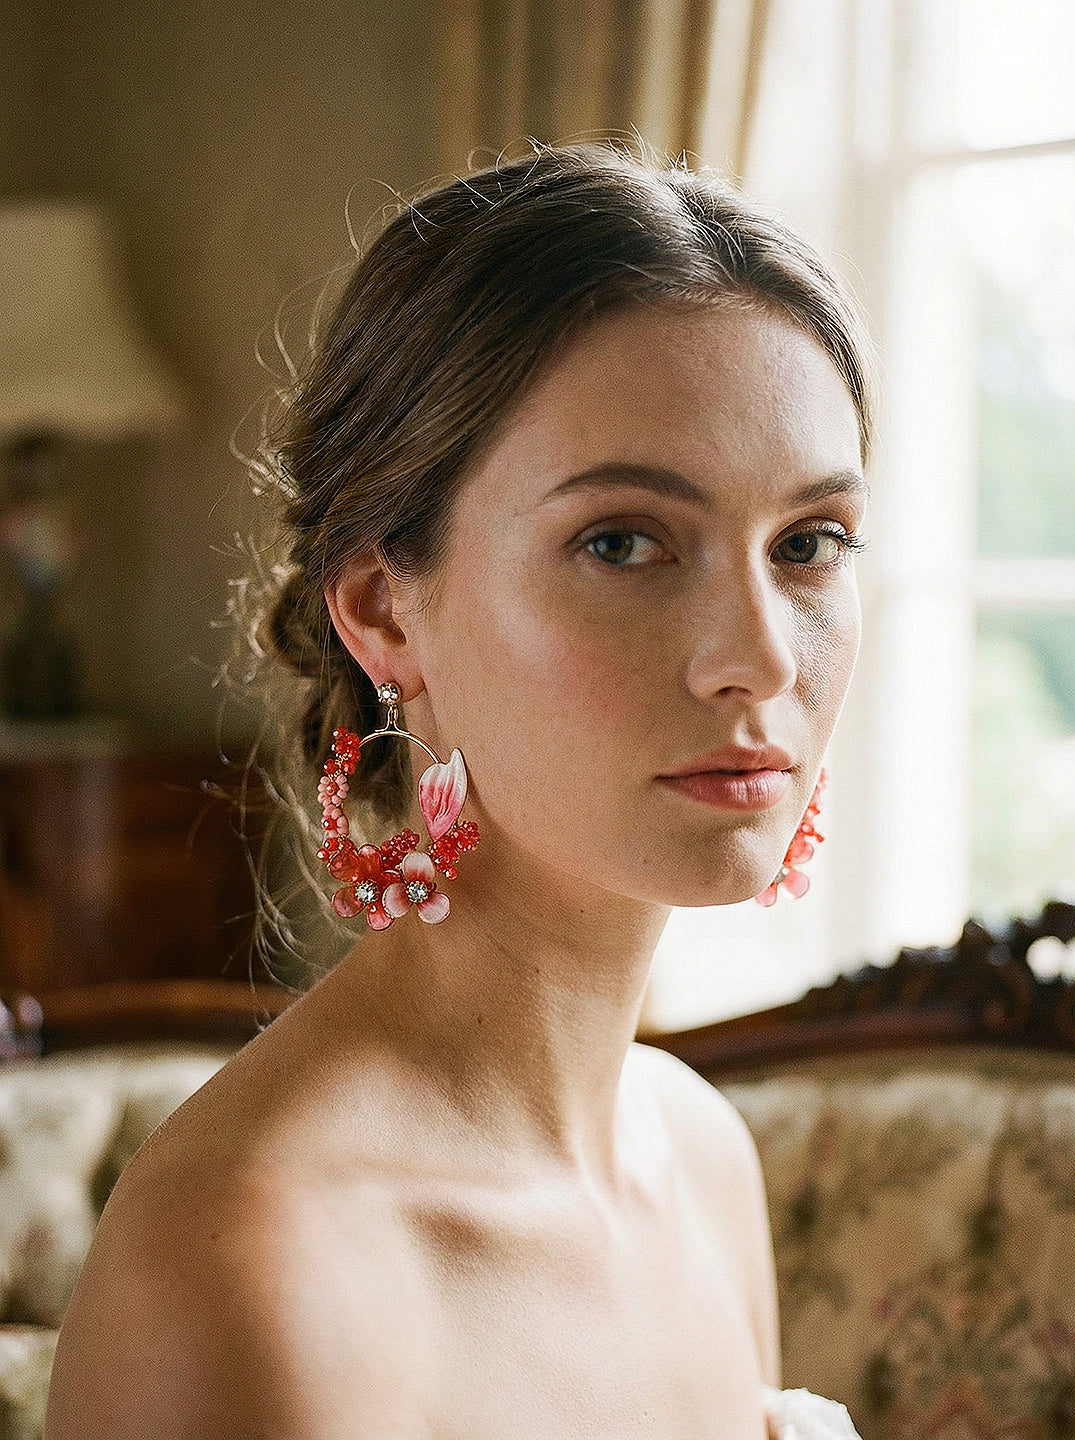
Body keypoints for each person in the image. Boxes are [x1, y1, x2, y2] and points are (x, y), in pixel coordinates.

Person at [46, 143, 870, 1438]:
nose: (761, 655)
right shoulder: (256, 1266)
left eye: (809, 544)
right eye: (622, 542)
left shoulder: (701, 1159)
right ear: (385, 613)